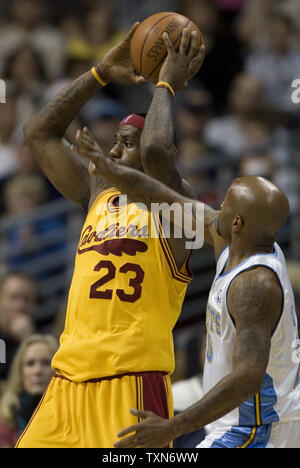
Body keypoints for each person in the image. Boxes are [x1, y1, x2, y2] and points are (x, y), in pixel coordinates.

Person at [73, 33, 300, 449]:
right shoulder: (245, 237)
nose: (213, 203)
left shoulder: (254, 285)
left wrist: (172, 427)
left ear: (236, 222)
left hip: (253, 426)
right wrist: (109, 166)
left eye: (225, 199)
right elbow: (166, 195)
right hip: (243, 419)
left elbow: (248, 375)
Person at [16, 25, 205, 448]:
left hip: (132, 382)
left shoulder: (180, 208)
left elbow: (156, 151)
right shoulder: (96, 195)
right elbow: (38, 132)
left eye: (124, 144)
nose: (114, 153)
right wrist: (100, 72)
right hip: (66, 380)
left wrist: (166, 85)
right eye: (114, 143)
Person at [0, 334, 58, 448]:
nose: (37, 371)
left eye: (46, 363)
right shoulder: (5, 418)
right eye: (30, 363)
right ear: (20, 372)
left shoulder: (70, 412)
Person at [0, 272, 37, 384]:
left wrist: (29, 340)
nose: (20, 305)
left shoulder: (41, 338)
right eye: (13, 297)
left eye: (26, 299)